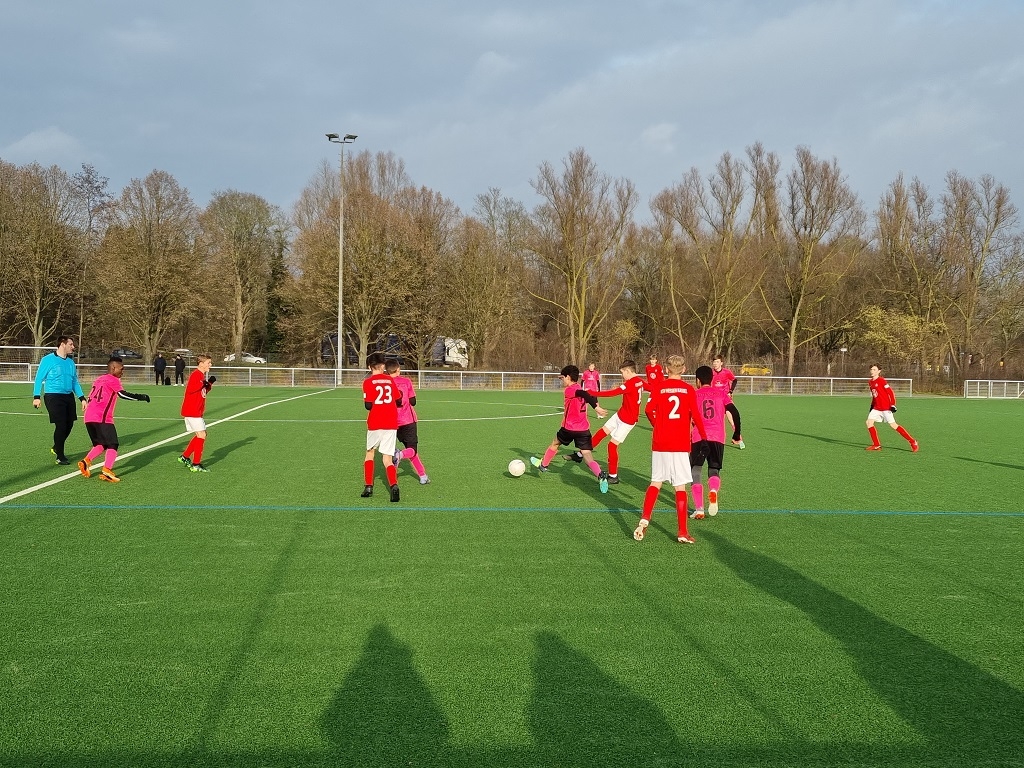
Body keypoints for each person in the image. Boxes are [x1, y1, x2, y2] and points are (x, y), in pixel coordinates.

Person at [632, 355, 708, 545]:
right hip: (680, 443)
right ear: (684, 369)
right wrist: (704, 438)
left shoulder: (658, 387)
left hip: (660, 442)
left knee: (655, 482)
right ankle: (682, 532)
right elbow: (696, 415)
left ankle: (645, 519)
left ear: (666, 369)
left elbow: (648, 410)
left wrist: (657, 425)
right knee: (680, 486)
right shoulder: (688, 390)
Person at [530, 365, 610, 493]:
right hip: (583, 429)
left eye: (562, 378)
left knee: (555, 443)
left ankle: (543, 465)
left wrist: (596, 408)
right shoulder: (581, 388)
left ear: (568, 377)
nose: (562, 380)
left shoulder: (569, 390)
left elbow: (582, 393)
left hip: (569, 428)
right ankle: (600, 475)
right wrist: (596, 406)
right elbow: (586, 394)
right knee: (587, 456)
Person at [77, 356, 150, 482]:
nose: (123, 371)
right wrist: (141, 397)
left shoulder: (99, 379)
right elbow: (122, 394)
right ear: (113, 368)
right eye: (121, 369)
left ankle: (86, 461)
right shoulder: (113, 379)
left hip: (89, 417)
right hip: (102, 417)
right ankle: (107, 470)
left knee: (101, 444)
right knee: (113, 444)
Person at [589, 360, 646, 485]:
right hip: (620, 414)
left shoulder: (630, 384)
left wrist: (592, 393)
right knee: (602, 432)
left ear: (628, 371)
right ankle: (583, 452)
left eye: (622, 373)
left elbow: (612, 393)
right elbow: (652, 388)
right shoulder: (640, 381)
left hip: (628, 421)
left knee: (612, 445)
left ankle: (613, 476)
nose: (622, 375)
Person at [32, 336, 86, 465]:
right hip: (53, 396)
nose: (73, 347)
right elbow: (39, 378)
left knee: (69, 425)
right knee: (61, 425)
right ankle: (60, 456)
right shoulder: (48, 360)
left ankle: (57, 446)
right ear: (62, 344)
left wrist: (82, 398)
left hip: (68, 396)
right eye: (71, 344)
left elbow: (74, 382)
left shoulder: (71, 362)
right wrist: (36, 397)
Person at [688, 365, 729, 519]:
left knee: (695, 471)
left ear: (698, 380)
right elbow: (731, 411)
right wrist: (736, 431)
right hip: (717, 436)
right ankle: (713, 490)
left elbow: (688, 417)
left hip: (699, 436)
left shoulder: (694, 394)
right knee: (714, 469)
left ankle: (699, 509)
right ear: (712, 379)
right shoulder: (721, 393)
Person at [362, 352, 402, 501]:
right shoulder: (390, 380)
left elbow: (368, 405)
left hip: (375, 423)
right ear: (383, 366)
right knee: (387, 459)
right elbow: (398, 399)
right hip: (390, 423)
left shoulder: (367, 382)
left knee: (370, 453)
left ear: (369, 367)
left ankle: (368, 486)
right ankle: (393, 485)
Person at [387, 359, 429, 485]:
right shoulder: (406, 381)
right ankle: (399, 455)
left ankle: (422, 475)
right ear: (398, 369)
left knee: (392, 450)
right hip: (407, 419)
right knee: (412, 450)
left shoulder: (386, 383)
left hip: (390, 420)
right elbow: (413, 401)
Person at [866, 364, 918, 452]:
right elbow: (875, 395)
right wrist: (872, 406)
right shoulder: (870, 382)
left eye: (874, 369)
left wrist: (893, 404)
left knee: (893, 425)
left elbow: (890, 392)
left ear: (879, 371)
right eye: (871, 369)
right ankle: (876, 445)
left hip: (885, 407)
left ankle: (912, 441)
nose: (872, 371)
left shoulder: (882, 380)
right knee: (869, 422)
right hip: (876, 407)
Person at [178, 354, 217, 472]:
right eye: (208, 362)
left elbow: (203, 391)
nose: (210, 365)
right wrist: (203, 383)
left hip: (196, 411)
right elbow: (191, 389)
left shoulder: (201, 376)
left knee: (201, 434)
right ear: (201, 363)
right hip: (192, 411)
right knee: (202, 435)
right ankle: (196, 464)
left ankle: (185, 457)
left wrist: (209, 383)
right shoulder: (196, 375)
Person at [711, 354, 744, 449]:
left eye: (717, 362)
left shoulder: (726, 372)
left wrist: (730, 391)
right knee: (717, 421)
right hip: (716, 401)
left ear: (721, 363)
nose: (715, 364)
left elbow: (735, 380)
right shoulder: (711, 373)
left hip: (726, 399)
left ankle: (739, 440)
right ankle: (715, 440)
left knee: (732, 420)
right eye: (714, 362)